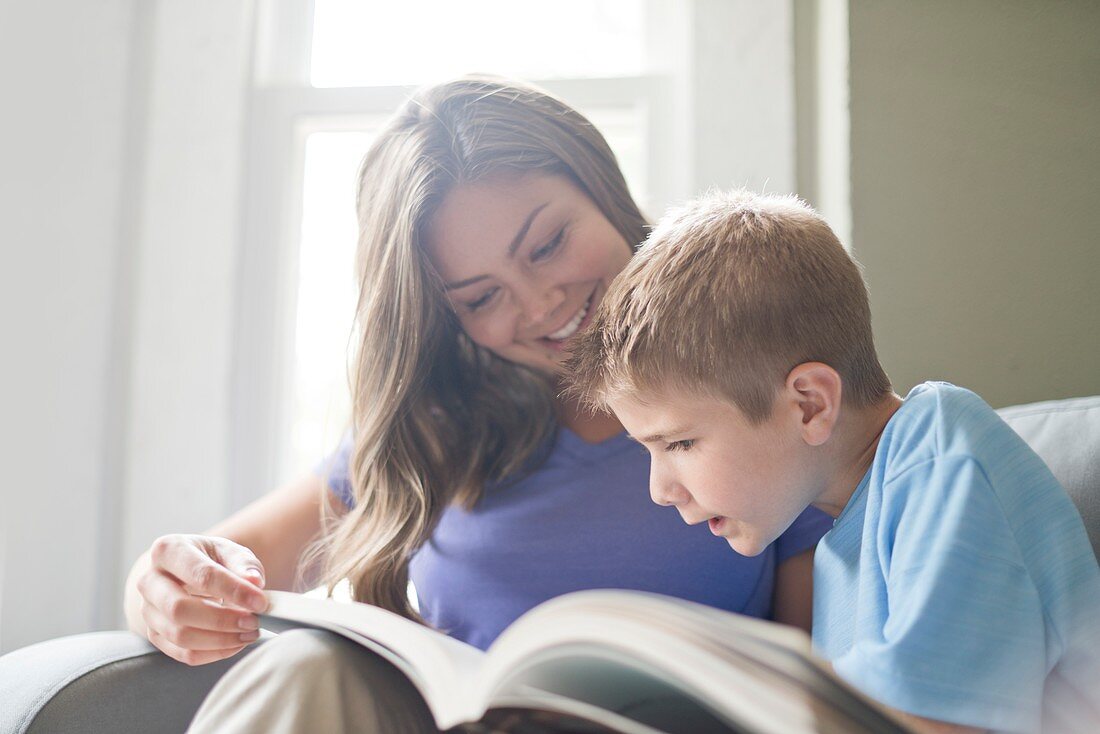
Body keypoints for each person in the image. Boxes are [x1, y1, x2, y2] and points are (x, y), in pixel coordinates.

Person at [121, 77, 831, 732]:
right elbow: (222, 569)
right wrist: (157, 588)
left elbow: (811, 678)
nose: (538, 303)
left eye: (548, 244)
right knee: (304, 665)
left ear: (603, 188)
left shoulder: (757, 385)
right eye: (481, 297)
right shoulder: (434, 427)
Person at [567, 189, 1100, 733]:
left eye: (678, 444)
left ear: (810, 404)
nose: (660, 489)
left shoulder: (942, 461)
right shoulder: (845, 539)